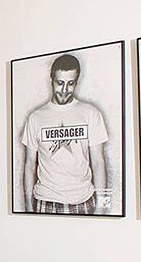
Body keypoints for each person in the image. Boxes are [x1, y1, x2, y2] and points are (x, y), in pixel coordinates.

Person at [22, 54, 110, 215]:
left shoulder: (91, 113)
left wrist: (103, 206)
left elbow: (99, 162)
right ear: (51, 80)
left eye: (70, 83)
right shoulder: (35, 117)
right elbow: (29, 164)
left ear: (77, 82)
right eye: (60, 83)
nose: (64, 90)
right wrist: (28, 205)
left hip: (83, 200)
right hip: (45, 200)